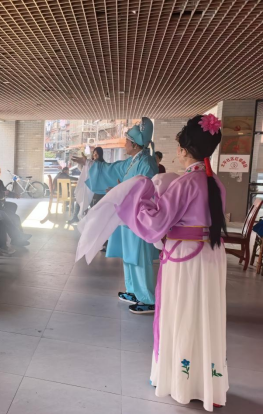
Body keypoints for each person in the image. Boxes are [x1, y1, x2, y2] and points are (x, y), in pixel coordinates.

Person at [77, 114, 228, 411]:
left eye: (179, 148)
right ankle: (206, 380)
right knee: (205, 314)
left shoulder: (186, 183)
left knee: (183, 313)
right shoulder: (216, 183)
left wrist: (139, 198)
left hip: (186, 258)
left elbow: (156, 222)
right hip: (210, 257)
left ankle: (181, 381)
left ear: (184, 150)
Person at [75, 118, 159, 313]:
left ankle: (148, 298)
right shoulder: (132, 162)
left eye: (127, 141)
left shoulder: (146, 163)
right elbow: (110, 170)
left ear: (135, 144)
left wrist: (121, 191)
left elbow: (147, 191)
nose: (125, 144)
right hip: (127, 215)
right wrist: (88, 164)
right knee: (129, 255)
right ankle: (134, 291)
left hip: (138, 216)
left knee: (139, 257)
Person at [69, 147, 105, 225]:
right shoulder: (91, 163)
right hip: (90, 187)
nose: (95, 156)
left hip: (97, 190)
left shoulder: (102, 164)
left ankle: (90, 220)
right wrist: (84, 163)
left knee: (88, 199)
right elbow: (85, 171)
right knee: (81, 195)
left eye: (96, 154)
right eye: (94, 154)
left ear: (100, 155)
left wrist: (87, 162)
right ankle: (76, 216)